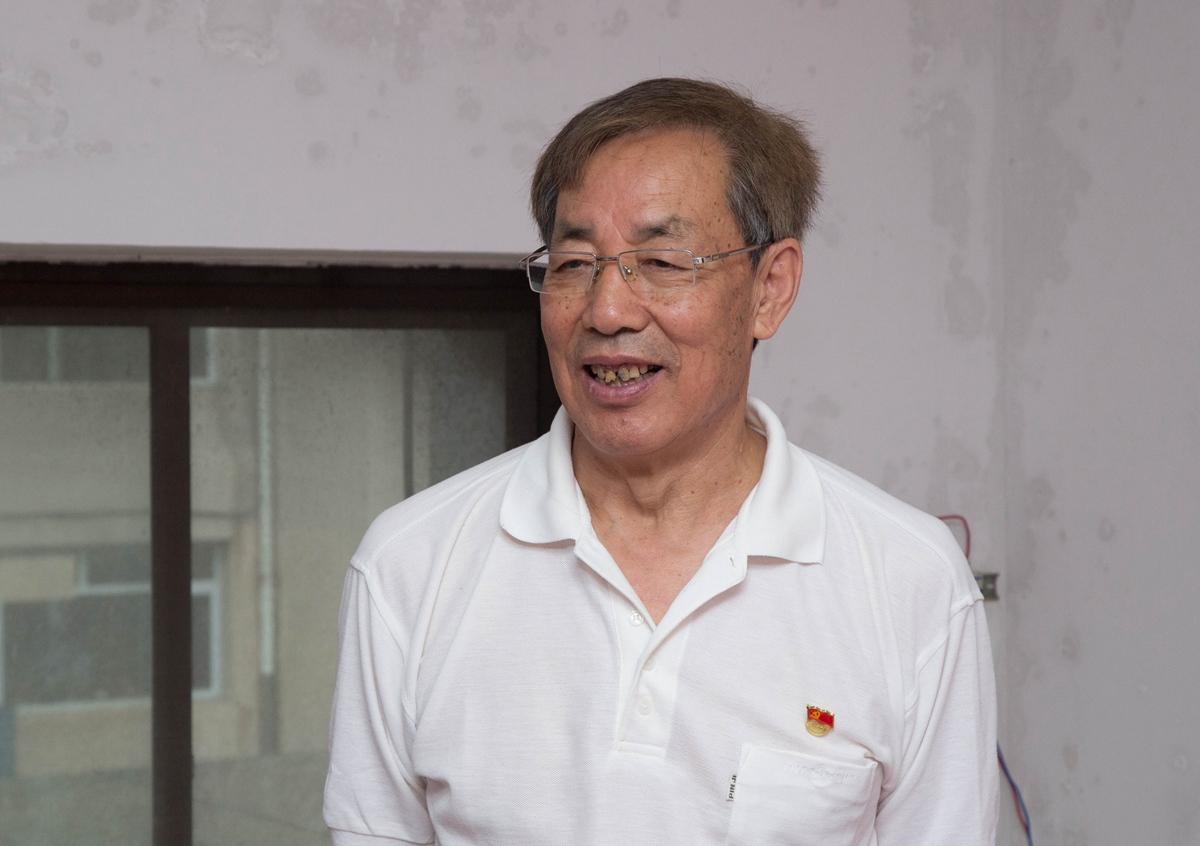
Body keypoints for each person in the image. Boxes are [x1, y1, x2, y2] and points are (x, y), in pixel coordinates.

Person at [323, 77, 997, 845]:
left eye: (663, 262)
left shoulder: (908, 582)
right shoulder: (411, 567)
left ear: (770, 289)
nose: (607, 310)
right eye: (574, 263)